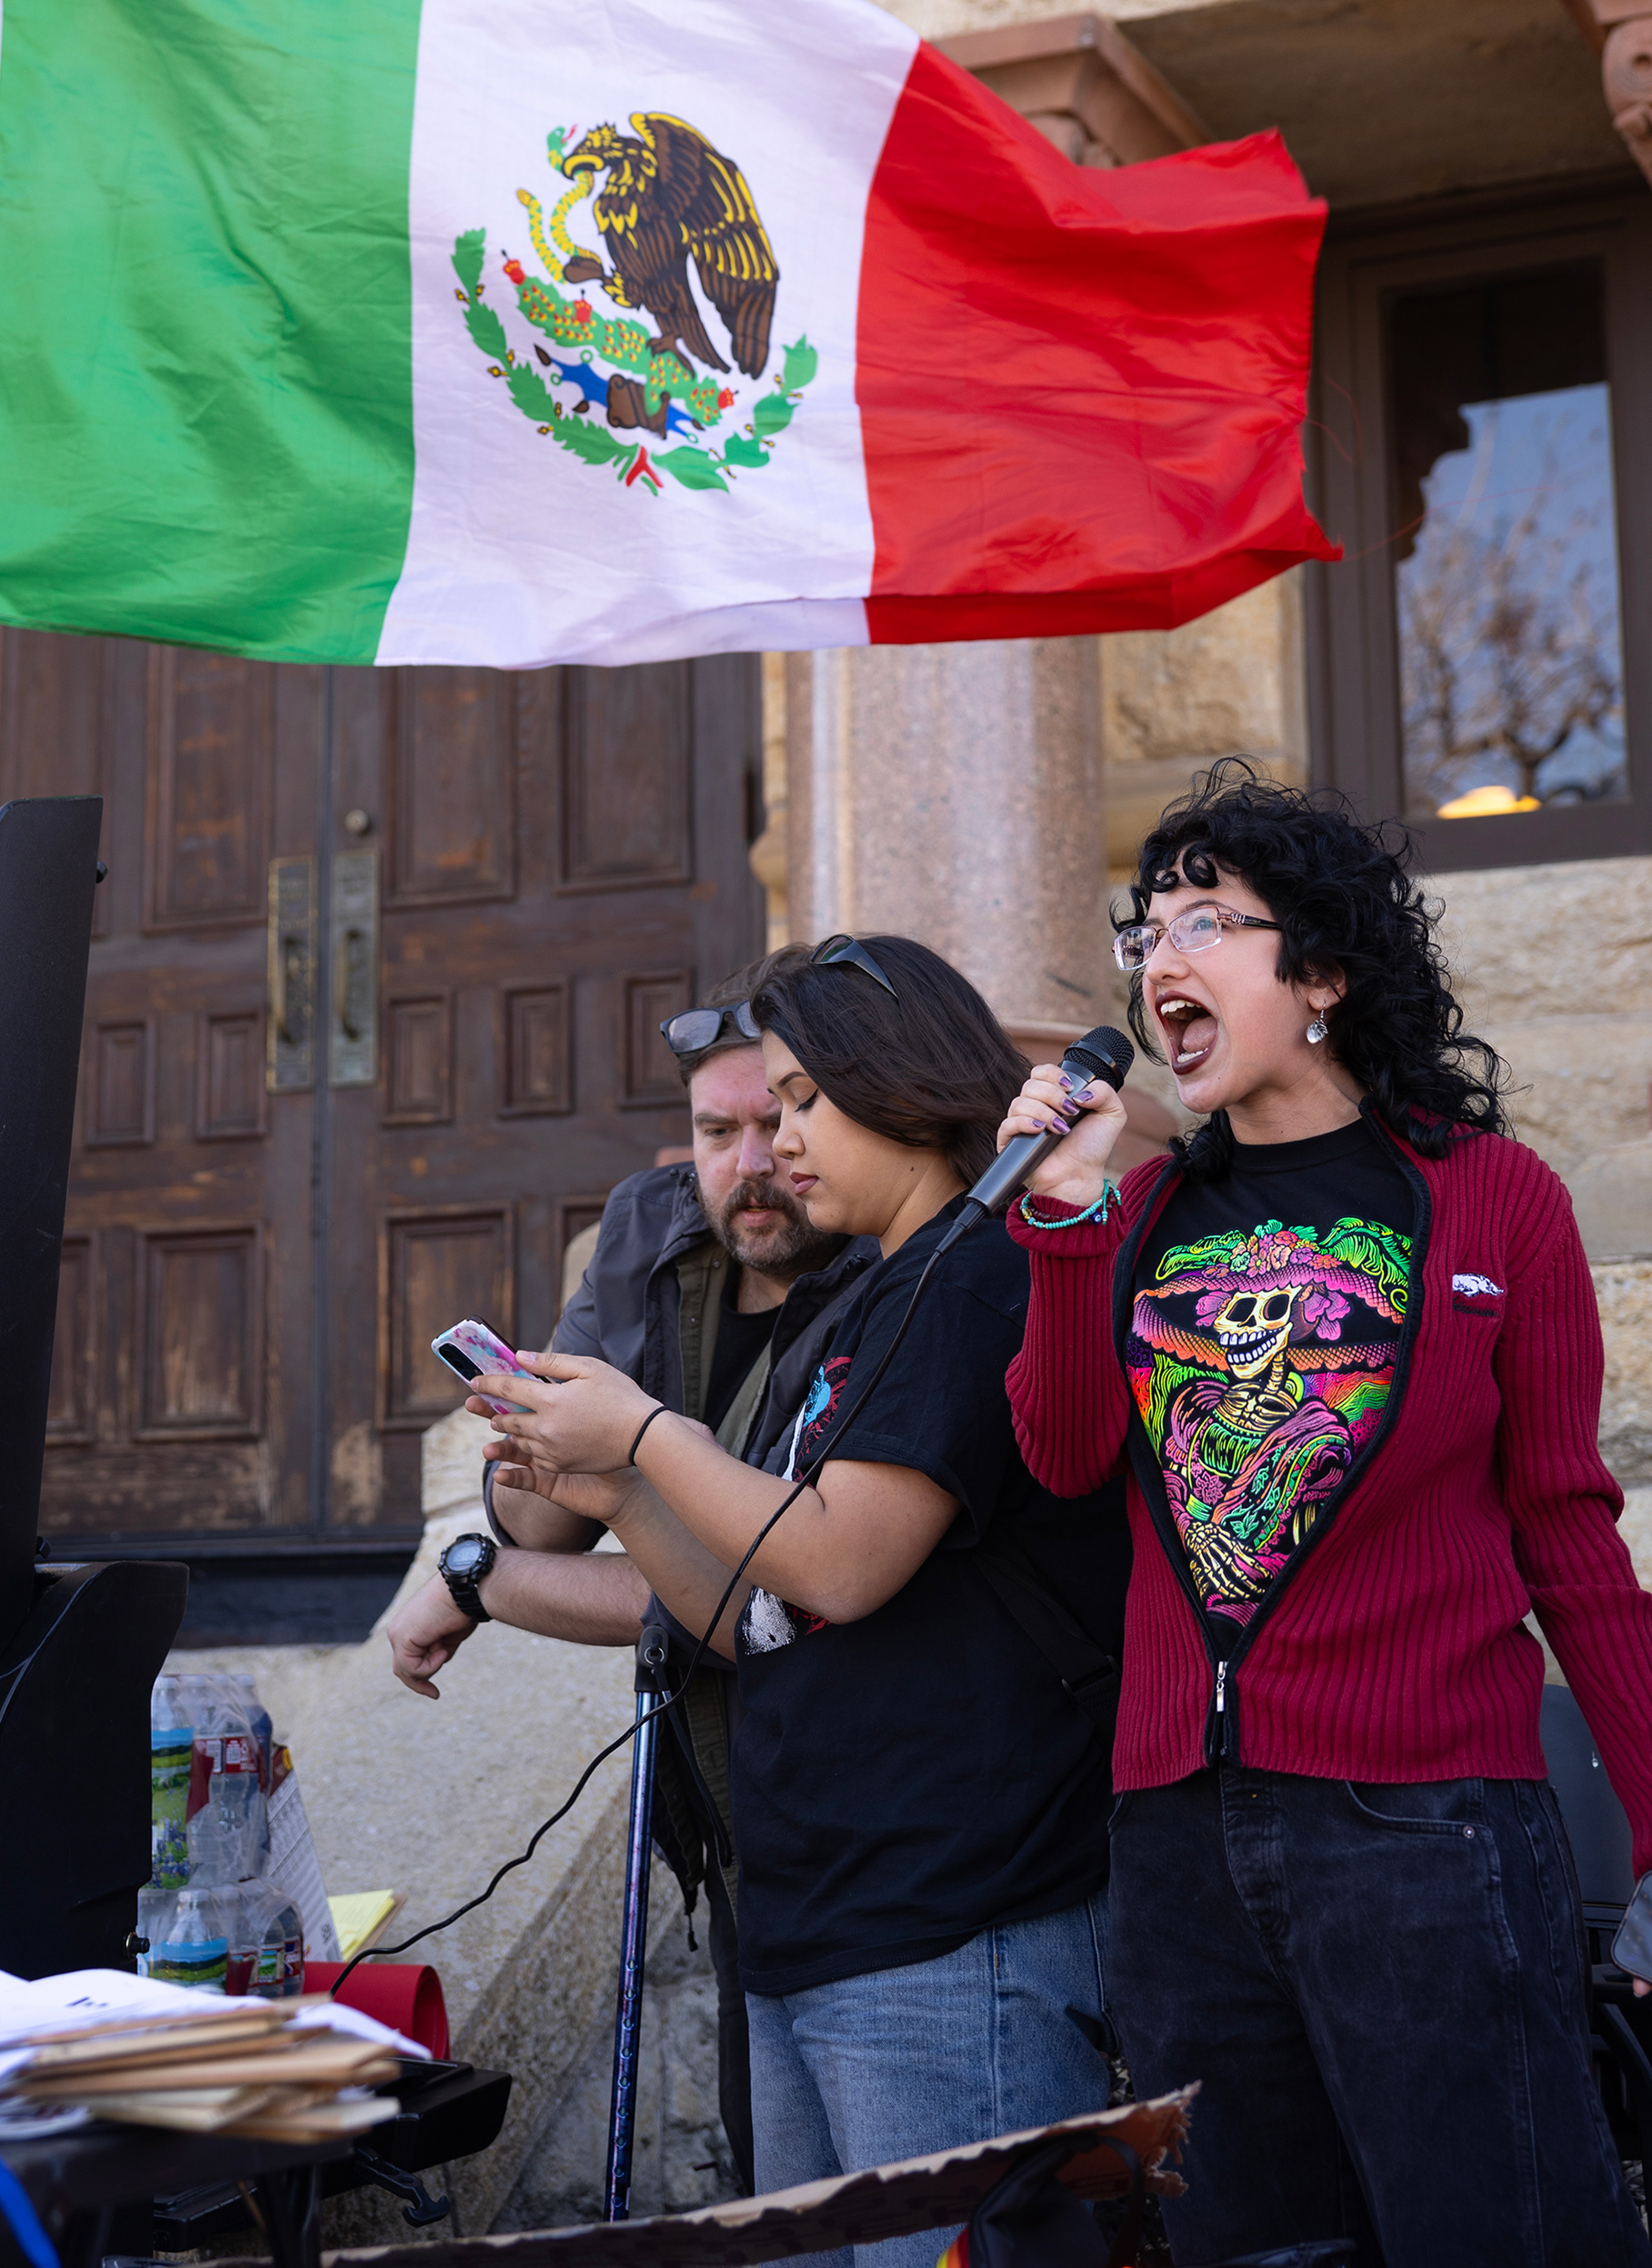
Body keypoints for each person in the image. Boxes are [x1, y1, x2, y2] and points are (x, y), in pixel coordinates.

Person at [998, 759, 1652, 2267]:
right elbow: (1067, 1453)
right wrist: (1065, 1218)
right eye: (1144, 930)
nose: (1161, 957)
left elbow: (1569, 1530)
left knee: (1499, 2234)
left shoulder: (1496, 1201)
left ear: (1326, 975)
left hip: (1423, 1823)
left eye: (1208, 921)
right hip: (1177, 1841)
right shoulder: (1142, 1211)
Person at [470, 934, 1132, 2268]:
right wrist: (608, 1488)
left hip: (954, 1938)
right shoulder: (869, 1299)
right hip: (810, 1923)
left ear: (901, 1084)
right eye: (768, 1112)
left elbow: (840, 1559)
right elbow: (751, 1608)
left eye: (803, 1103)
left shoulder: (981, 1273)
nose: (778, 1144)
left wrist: (649, 1431)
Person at [386, 962, 868, 2190]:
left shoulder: (888, 1273)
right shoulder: (652, 1237)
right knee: (786, 2190)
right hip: (743, 1812)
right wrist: (525, 1446)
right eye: (719, 1131)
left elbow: (743, 1597)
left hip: (882, 1811)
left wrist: (485, 1575)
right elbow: (548, 1528)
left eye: (780, 1120)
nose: (751, 1161)